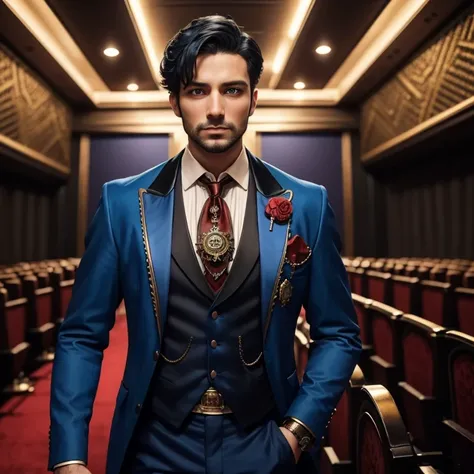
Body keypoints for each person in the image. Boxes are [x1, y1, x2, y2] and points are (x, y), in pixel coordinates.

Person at [48, 14, 361, 474]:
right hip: (154, 447)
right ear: (175, 101)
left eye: (232, 90)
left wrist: (297, 432)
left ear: (254, 99)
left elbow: (338, 333)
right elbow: (81, 335)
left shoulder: (307, 204)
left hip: (266, 443)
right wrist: (69, 456)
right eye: (197, 91)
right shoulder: (121, 204)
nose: (215, 108)